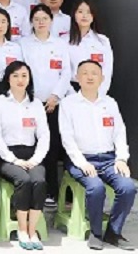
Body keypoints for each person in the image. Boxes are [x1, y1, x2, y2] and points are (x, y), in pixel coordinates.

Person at [60, 60, 136, 250]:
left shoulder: (109, 103)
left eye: (94, 73)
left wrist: (121, 158)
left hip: (109, 159)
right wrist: (82, 163)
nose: (90, 77)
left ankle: (113, 232)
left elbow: (119, 133)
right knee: (96, 188)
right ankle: (95, 233)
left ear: (102, 78)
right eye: (85, 73)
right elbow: (67, 139)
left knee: (128, 187)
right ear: (77, 78)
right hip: (81, 159)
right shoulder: (68, 104)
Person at [0, 61, 49, 250]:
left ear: (29, 79)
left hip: (31, 155)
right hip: (5, 155)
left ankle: (32, 230)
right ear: (8, 79)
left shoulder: (36, 103)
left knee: (39, 180)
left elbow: (44, 135)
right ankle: (22, 229)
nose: (20, 80)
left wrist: (35, 159)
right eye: (15, 76)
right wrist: (13, 159)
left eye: (24, 75)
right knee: (24, 179)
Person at [19, 4, 71, 207]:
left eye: (45, 18)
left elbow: (66, 73)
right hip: (29, 103)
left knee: (51, 147)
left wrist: (55, 96)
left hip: (53, 104)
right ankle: (28, 191)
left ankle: (51, 192)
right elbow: (20, 71)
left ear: (51, 20)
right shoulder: (23, 43)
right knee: (29, 145)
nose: (41, 22)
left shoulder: (60, 44)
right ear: (31, 21)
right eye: (37, 19)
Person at [67, 0, 113, 96]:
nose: (84, 16)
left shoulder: (103, 41)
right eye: (80, 12)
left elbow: (107, 70)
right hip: (71, 90)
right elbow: (62, 72)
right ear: (74, 15)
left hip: (97, 91)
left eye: (88, 12)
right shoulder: (64, 41)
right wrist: (72, 95)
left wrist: (99, 95)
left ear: (93, 16)